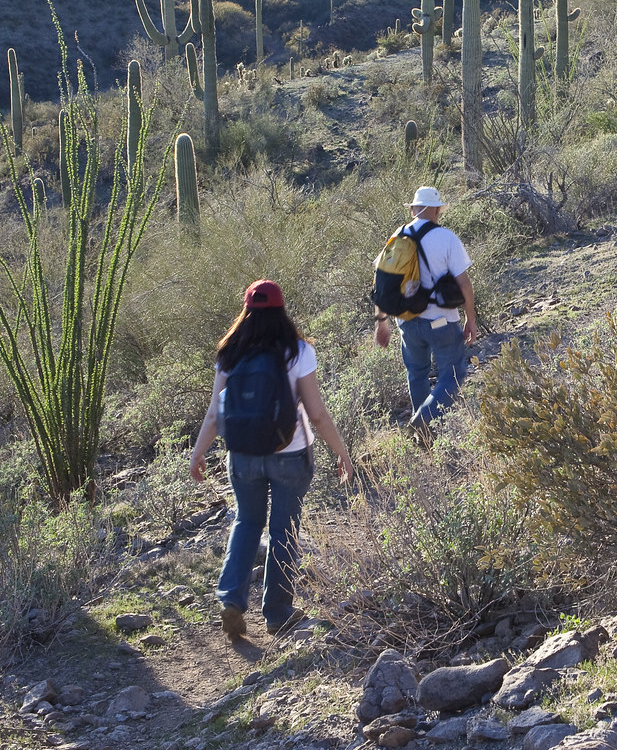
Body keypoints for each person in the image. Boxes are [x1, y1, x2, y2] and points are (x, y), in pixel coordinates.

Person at [189, 280, 354, 641]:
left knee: (246, 522)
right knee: (283, 530)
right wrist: (342, 453)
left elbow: (215, 415)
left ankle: (231, 599)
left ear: (246, 311)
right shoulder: (296, 351)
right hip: (290, 454)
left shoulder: (230, 352)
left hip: (242, 456)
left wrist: (198, 452)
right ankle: (278, 613)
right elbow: (318, 414)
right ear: (282, 310)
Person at [372, 185, 477, 426]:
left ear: (413, 210)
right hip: (441, 321)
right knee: (454, 374)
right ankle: (423, 422)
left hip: (405, 321)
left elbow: (381, 282)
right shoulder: (447, 238)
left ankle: (424, 435)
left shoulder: (396, 237)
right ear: (438, 210)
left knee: (417, 373)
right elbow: (465, 285)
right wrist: (470, 319)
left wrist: (381, 323)